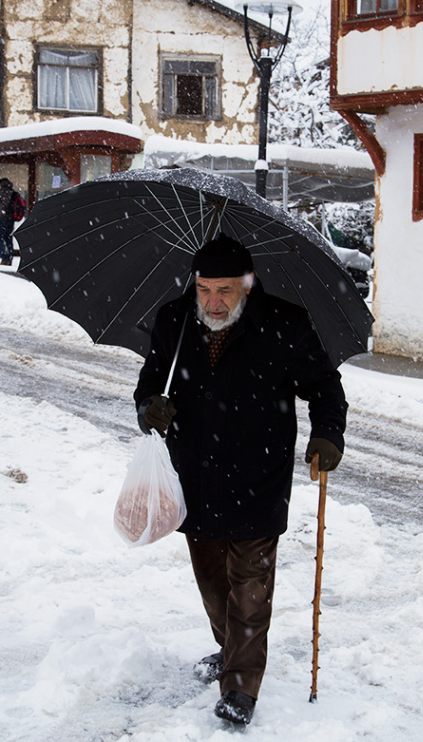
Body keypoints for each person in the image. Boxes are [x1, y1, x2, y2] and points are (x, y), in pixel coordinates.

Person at [133, 235, 347, 726]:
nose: (212, 301)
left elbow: (325, 387)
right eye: (204, 288)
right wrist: (150, 409)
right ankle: (230, 650)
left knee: (250, 587)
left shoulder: (284, 324)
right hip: (196, 480)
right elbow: (148, 384)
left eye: (224, 290)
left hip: (259, 476)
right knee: (213, 585)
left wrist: (328, 434)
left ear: (247, 285)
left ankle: (240, 687)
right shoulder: (175, 321)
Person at [0, 178, 23, 265]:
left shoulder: (2, 192)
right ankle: (9, 257)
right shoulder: (12, 193)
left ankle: (5, 258)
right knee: (8, 238)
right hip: (10, 219)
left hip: (2, 218)